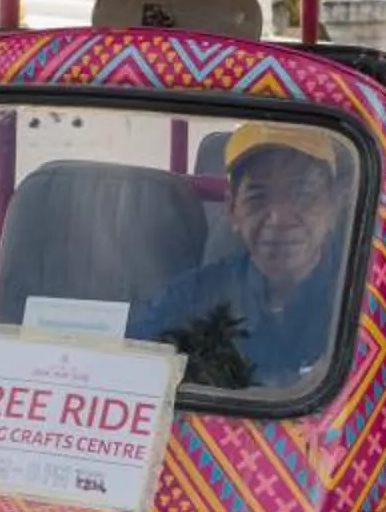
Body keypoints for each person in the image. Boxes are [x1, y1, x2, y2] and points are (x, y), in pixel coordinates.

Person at [131, 123, 350, 390]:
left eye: (302, 195)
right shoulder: (193, 297)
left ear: (333, 206)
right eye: (258, 198)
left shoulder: (366, 302)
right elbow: (130, 364)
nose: (279, 219)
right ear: (233, 208)